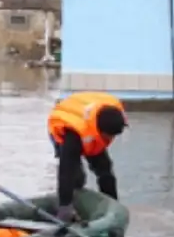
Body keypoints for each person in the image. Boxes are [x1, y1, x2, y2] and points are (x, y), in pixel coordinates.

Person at [48, 92, 128, 222]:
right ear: (100, 131)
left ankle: (111, 204)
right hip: (63, 124)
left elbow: (105, 171)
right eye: (109, 136)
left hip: (89, 123)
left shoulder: (114, 113)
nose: (111, 139)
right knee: (76, 177)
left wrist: (114, 210)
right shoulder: (73, 134)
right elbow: (65, 171)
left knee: (105, 168)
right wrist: (64, 206)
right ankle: (68, 207)